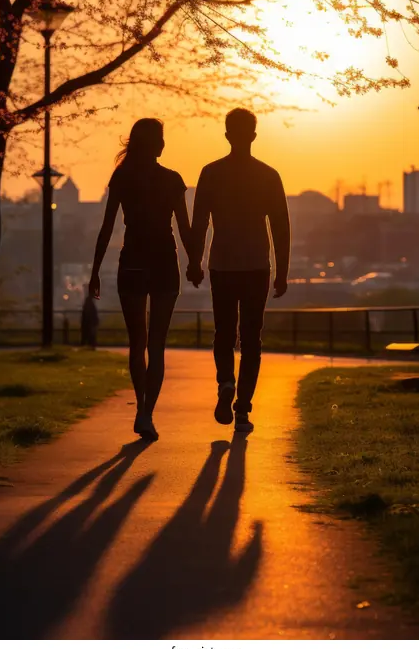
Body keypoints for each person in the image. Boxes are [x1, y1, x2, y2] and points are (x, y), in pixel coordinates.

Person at [187, 108, 290, 434]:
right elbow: (281, 227)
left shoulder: (211, 173)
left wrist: (194, 262)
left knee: (223, 332)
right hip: (257, 264)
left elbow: (199, 222)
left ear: (228, 134)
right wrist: (283, 271)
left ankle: (225, 383)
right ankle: (243, 408)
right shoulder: (268, 175)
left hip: (222, 264)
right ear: (254, 136)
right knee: (251, 339)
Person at [89, 118, 191, 442]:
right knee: (157, 344)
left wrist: (94, 271)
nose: (164, 144)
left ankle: (141, 409)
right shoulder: (173, 181)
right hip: (164, 263)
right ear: (156, 144)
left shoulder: (123, 177)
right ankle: (147, 413)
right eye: (161, 139)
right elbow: (185, 230)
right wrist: (196, 265)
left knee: (138, 343)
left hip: (131, 262)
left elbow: (107, 228)